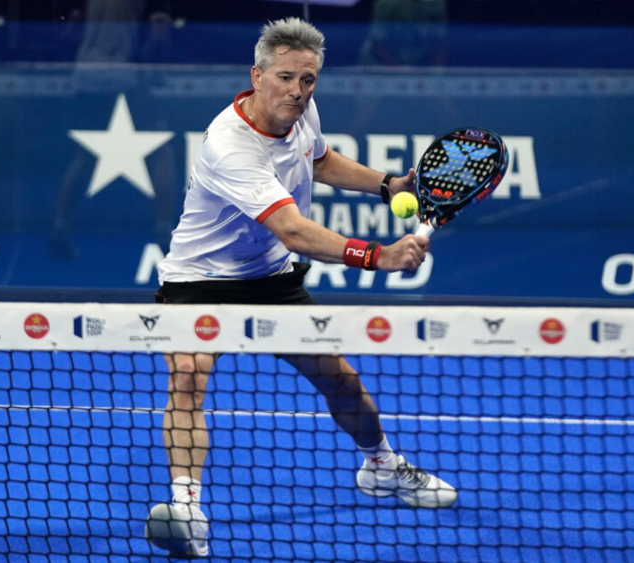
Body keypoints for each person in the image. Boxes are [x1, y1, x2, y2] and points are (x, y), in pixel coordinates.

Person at [145, 17, 458, 559]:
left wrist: (387, 185)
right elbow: (292, 230)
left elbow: (320, 160)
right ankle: (186, 509)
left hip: (269, 277)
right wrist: (379, 257)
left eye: (307, 80)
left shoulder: (301, 110)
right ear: (257, 76)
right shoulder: (230, 146)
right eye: (286, 78)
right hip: (198, 278)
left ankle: (380, 465)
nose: (297, 90)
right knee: (188, 377)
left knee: (338, 378)